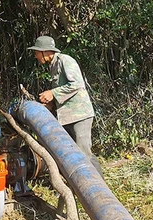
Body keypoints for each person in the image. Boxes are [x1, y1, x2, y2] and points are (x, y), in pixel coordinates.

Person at [28, 35, 104, 177]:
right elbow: (64, 91)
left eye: (37, 52)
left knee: (84, 153)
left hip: (80, 115)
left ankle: (98, 188)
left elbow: (76, 84)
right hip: (66, 116)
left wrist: (52, 92)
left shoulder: (65, 60)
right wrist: (51, 104)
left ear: (45, 51)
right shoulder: (53, 65)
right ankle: (77, 184)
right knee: (69, 152)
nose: (35, 55)